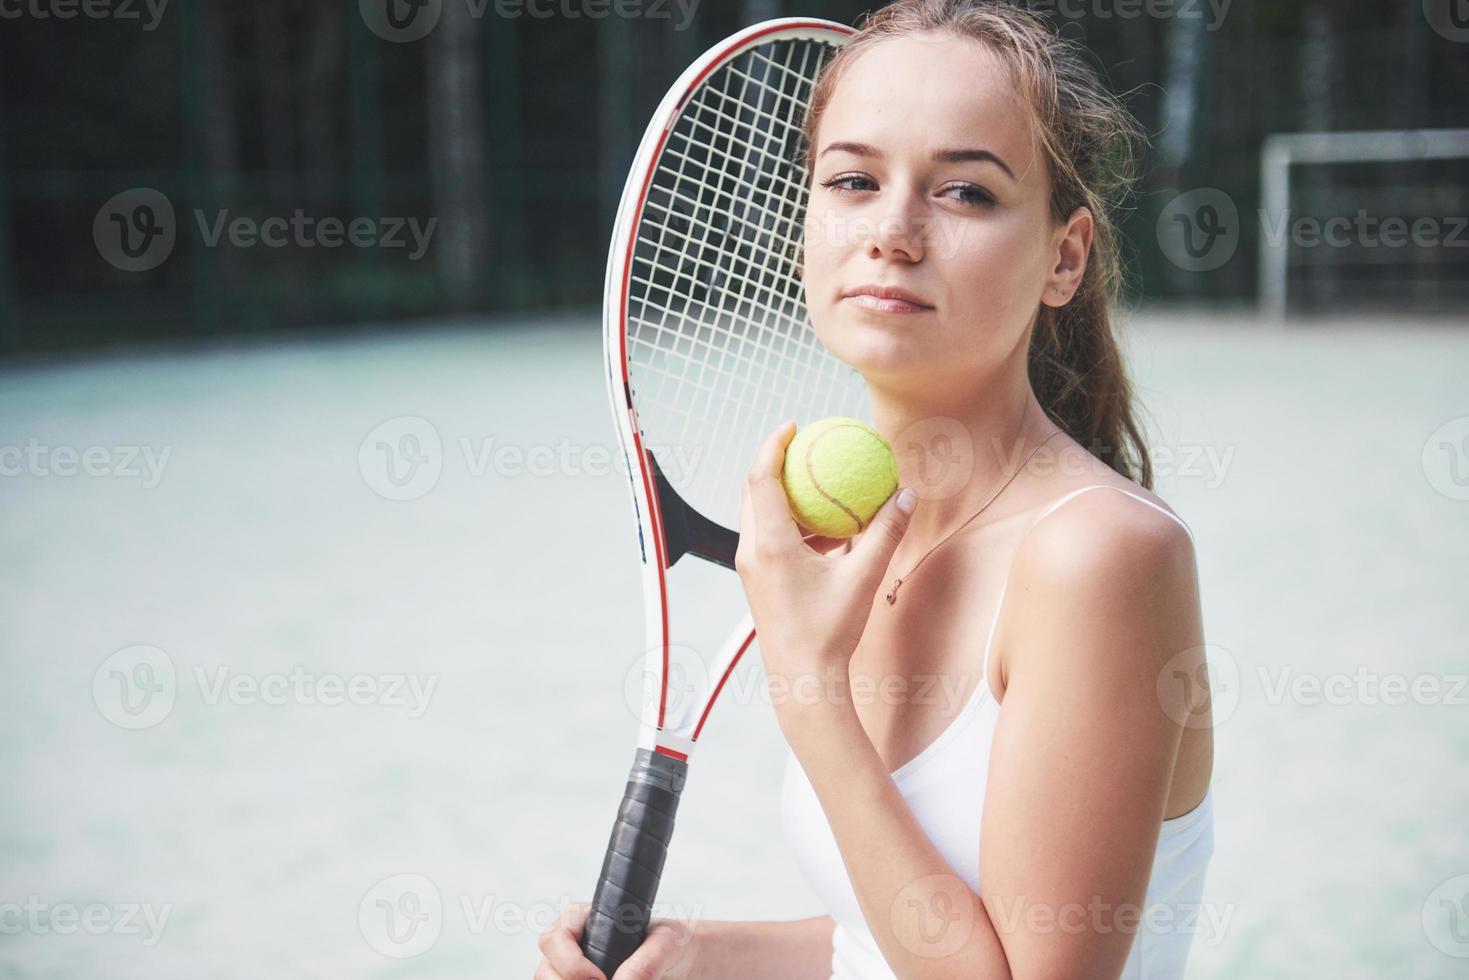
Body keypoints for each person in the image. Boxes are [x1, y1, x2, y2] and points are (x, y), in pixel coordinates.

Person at [537, 1, 1215, 976]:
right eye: (852, 179)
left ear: (1062, 257)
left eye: (965, 194)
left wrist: (809, 689)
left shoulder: (1099, 556)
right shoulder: (855, 549)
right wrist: (697, 956)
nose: (892, 231)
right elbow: (890, 940)